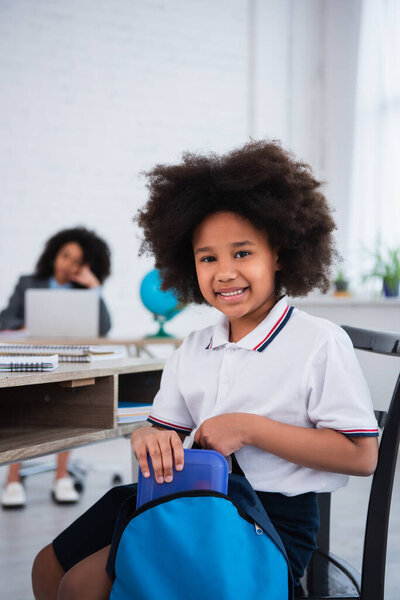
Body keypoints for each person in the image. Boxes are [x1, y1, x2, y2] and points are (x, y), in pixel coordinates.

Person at [31, 141, 378, 600]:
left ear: (279, 253)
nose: (224, 272)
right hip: (183, 495)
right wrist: (146, 439)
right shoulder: (194, 346)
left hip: (267, 518)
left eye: (242, 253)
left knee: (81, 585)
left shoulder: (318, 342)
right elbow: (161, 432)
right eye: (208, 257)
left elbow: (361, 455)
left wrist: (249, 429)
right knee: (48, 567)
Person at [1, 226, 112, 509]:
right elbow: (6, 319)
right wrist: (23, 327)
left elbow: (103, 328)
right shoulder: (29, 282)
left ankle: (62, 476)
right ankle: (12, 479)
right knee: (22, 406)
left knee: (70, 407)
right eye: (65, 256)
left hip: (67, 359)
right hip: (30, 358)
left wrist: (94, 288)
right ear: (54, 254)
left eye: (77, 261)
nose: (68, 264)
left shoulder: (83, 290)